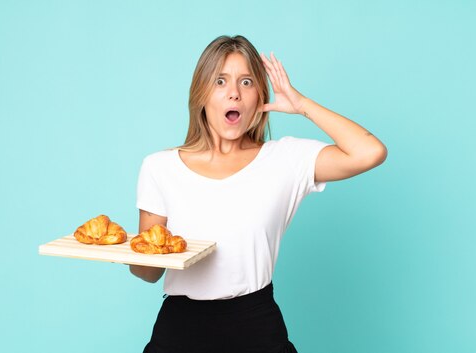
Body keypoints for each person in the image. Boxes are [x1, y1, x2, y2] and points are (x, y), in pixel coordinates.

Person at [129, 35, 387, 353]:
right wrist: (131, 256)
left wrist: (302, 105)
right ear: (201, 94)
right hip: (181, 328)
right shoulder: (160, 167)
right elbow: (147, 272)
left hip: (255, 325)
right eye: (220, 81)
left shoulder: (284, 159)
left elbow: (369, 152)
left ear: (259, 96)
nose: (234, 93)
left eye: (247, 81)